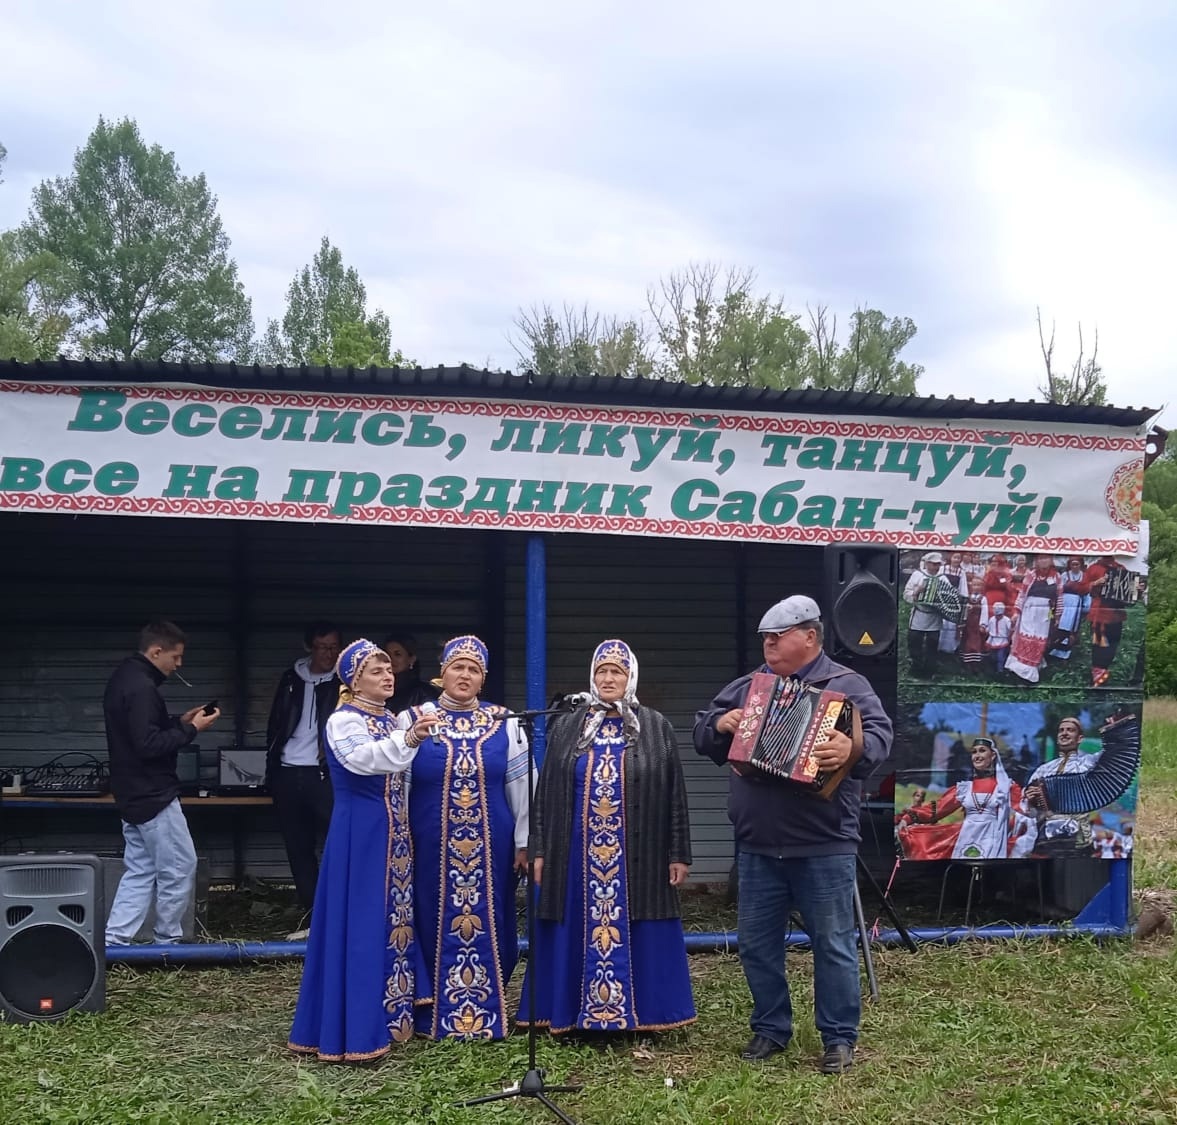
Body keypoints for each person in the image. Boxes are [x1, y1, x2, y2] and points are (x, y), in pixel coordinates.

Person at [693, 595, 893, 1074]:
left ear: (809, 635)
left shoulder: (848, 686)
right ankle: (770, 1028)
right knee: (756, 944)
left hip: (823, 843)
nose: (768, 645)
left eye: (776, 637)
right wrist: (721, 723)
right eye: (765, 637)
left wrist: (851, 743)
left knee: (834, 943)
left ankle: (839, 1039)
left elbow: (881, 740)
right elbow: (702, 731)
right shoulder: (749, 688)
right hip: (758, 844)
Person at [520, 639, 696, 1038]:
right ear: (592, 677)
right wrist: (541, 848)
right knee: (573, 923)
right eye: (602, 671)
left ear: (631, 676)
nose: (608, 678)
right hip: (576, 858)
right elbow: (545, 791)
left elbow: (674, 793)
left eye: (617, 671)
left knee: (643, 922)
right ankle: (571, 1015)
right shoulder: (568, 724)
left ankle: (645, 1015)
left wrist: (678, 852)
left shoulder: (654, 725)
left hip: (640, 854)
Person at [287, 639, 438, 1062]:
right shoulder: (343, 720)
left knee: (392, 920)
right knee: (363, 922)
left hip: (394, 835)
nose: (387, 676)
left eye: (390, 670)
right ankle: (354, 1026)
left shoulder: (389, 719)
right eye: (376, 671)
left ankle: (391, 1015)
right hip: (362, 834)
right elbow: (367, 762)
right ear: (354, 680)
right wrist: (409, 737)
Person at [396, 635, 534, 1040]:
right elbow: (397, 784)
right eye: (458, 666)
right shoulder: (413, 720)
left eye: (474, 670)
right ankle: (427, 1011)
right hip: (427, 847)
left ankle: (484, 1010)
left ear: (483, 678)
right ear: (442, 672)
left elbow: (523, 785)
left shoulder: (504, 722)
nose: (465, 675)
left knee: (495, 920)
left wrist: (526, 841)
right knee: (425, 918)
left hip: (493, 848)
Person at [104, 621, 220, 945]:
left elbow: (140, 731)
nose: (179, 664)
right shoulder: (142, 687)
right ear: (156, 651)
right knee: (181, 865)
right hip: (153, 792)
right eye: (176, 657)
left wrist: (179, 721)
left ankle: (114, 940)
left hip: (131, 791)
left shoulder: (124, 678)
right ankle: (167, 940)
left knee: (140, 868)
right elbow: (148, 744)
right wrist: (191, 730)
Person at [265, 621, 342, 934]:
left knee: (337, 843)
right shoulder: (290, 678)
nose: (329, 653)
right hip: (288, 770)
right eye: (323, 647)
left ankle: (335, 912)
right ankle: (312, 914)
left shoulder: (344, 682)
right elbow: (276, 724)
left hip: (324, 774)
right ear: (310, 647)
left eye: (335, 647)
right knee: (298, 846)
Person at [896, 738, 1024, 860]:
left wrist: (1035, 798)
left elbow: (1026, 808)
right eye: (974, 752)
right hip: (966, 837)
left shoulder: (1006, 787)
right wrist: (909, 817)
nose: (977, 755)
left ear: (993, 755)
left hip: (992, 838)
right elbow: (938, 808)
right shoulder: (964, 788)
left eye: (982, 750)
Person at [1005, 554, 1063, 684]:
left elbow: (1059, 597)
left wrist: (1058, 616)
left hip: (1045, 614)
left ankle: (1031, 673)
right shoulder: (1031, 575)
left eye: (1046, 558)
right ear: (1037, 561)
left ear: (1051, 560)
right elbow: (1022, 594)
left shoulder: (1056, 577)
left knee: (1039, 641)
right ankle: (1019, 673)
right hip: (1029, 611)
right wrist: (1016, 611)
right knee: (1027, 639)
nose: (1043, 561)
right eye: (1041, 558)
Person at [903, 552, 946, 678]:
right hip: (919, 614)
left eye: (938, 564)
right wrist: (916, 593)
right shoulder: (917, 575)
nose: (936, 567)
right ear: (927, 563)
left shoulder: (942, 578)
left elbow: (949, 596)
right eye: (933, 564)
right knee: (914, 641)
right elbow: (906, 594)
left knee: (932, 644)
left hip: (934, 616)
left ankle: (929, 670)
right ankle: (916, 667)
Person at [380, 631, 441, 714]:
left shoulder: (424, 693)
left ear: (411, 659)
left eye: (397, 654)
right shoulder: (376, 689)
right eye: (387, 654)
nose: (390, 659)